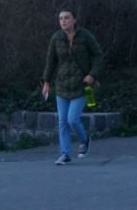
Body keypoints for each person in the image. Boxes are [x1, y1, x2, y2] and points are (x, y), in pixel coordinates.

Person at [41, 9, 104, 166]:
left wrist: (93, 74)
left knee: (72, 119)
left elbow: (98, 55)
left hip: (81, 84)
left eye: (67, 18)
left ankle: (85, 140)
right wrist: (46, 82)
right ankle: (65, 154)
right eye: (61, 18)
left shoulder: (85, 36)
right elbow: (51, 61)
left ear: (74, 20)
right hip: (62, 85)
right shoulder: (56, 38)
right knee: (62, 121)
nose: (63, 21)